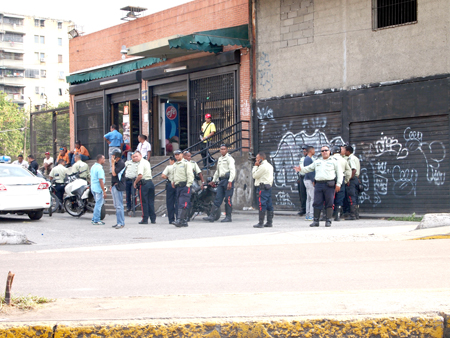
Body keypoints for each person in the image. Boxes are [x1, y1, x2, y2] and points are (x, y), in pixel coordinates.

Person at [299, 145, 343, 227]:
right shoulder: (317, 161)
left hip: (329, 184)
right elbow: (309, 168)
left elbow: (339, 173)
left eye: (326, 150)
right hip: (319, 184)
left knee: (329, 202)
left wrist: (339, 184)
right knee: (317, 202)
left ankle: (328, 220)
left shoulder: (334, 161)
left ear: (329, 151)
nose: (324, 152)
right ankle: (316, 221)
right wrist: (301, 169)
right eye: (322, 151)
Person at [204, 144, 236, 223]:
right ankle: (212, 216)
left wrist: (230, 181)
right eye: (221, 149)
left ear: (227, 150)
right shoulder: (220, 159)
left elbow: (232, 171)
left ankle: (228, 217)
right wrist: (213, 180)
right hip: (221, 181)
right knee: (218, 198)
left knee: (227, 199)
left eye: (224, 149)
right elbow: (217, 172)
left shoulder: (229, 159)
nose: (222, 150)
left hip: (228, 180)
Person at [172, 149, 194, 227]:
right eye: (175, 155)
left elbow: (190, 175)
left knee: (183, 203)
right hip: (178, 186)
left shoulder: (186, 163)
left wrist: (188, 185)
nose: (177, 156)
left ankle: (179, 220)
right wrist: (173, 181)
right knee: (179, 203)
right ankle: (184, 220)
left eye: (178, 154)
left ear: (181, 154)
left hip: (185, 185)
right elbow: (173, 174)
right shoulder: (175, 164)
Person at [252, 152, 274, 228]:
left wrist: (255, 166)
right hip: (268, 187)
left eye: (257, 159)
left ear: (261, 159)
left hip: (262, 187)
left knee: (262, 204)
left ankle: (261, 223)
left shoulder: (262, 166)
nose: (256, 160)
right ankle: (269, 222)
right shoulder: (270, 165)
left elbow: (254, 175)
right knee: (269, 204)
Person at [133, 151, 156, 225]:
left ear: (140, 155)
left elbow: (140, 175)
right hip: (150, 183)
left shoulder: (141, 164)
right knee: (151, 202)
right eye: (134, 157)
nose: (135, 158)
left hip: (144, 184)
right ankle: (153, 218)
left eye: (136, 156)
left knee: (144, 202)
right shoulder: (147, 162)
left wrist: (135, 182)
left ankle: (145, 218)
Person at [331, 145, 352, 221]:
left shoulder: (330, 159)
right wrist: (345, 180)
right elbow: (349, 171)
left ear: (332, 151)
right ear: (340, 152)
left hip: (331, 179)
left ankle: (326, 215)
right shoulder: (343, 160)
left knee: (329, 196)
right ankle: (337, 216)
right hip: (341, 178)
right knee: (340, 197)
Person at [295, 146, 315, 221]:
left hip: (306, 178)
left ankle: (308, 214)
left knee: (309, 198)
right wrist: (313, 180)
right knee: (312, 197)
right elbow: (309, 171)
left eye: (304, 151)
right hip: (308, 179)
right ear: (311, 151)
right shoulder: (308, 159)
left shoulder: (309, 159)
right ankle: (311, 215)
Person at [111, 149, 126, 229]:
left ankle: (121, 222)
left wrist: (112, 163)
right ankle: (119, 222)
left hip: (119, 186)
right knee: (116, 205)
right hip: (115, 185)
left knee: (119, 205)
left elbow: (114, 173)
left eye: (113, 155)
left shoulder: (121, 163)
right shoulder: (117, 163)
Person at [345, 145, 361, 220]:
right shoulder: (356, 158)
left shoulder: (350, 159)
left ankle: (353, 215)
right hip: (356, 179)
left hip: (352, 179)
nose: (344, 152)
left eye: (345, 150)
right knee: (355, 197)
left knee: (351, 197)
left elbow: (353, 170)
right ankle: (356, 215)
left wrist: (348, 179)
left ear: (348, 151)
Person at [90, 154, 107, 225]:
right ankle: (96, 220)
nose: (104, 160)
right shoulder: (99, 168)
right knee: (98, 204)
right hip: (98, 188)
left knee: (97, 203)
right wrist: (104, 191)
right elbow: (100, 180)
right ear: (100, 159)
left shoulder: (93, 166)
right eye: (103, 159)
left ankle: (94, 218)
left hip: (93, 187)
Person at [161, 156, 177, 224]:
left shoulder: (169, 167)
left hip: (170, 184)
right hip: (178, 184)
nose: (169, 162)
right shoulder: (178, 167)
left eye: (170, 161)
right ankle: (179, 217)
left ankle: (171, 219)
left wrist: (168, 177)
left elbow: (163, 175)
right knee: (177, 202)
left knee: (170, 202)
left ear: (172, 161)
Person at [297, 145, 308, 216]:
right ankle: (303, 208)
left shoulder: (311, 159)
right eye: (303, 151)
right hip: (301, 177)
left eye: (305, 150)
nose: (303, 152)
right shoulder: (302, 159)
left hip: (307, 177)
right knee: (302, 194)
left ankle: (309, 209)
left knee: (309, 194)